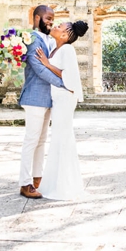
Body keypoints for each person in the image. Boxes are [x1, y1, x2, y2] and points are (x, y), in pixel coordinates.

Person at [18, 5, 68, 199]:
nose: (50, 21)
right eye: (47, 18)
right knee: (31, 141)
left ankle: (37, 178)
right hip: (34, 98)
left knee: (41, 141)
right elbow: (39, 69)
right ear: (37, 17)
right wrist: (64, 83)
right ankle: (25, 183)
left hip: (47, 99)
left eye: (52, 18)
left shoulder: (47, 40)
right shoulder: (32, 39)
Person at [35, 20, 88, 200]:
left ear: (65, 35)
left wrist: (47, 64)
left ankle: (64, 186)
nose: (55, 26)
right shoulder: (56, 48)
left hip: (65, 98)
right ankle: (54, 183)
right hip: (58, 98)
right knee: (58, 138)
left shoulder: (67, 49)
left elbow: (69, 74)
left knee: (62, 138)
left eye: (59, 27)